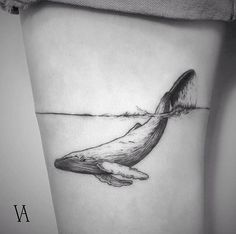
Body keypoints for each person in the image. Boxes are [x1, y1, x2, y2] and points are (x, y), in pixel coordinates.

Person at [1, 1, 232, 233]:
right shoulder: (96, 166)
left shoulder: (99, 163)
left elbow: (118, 170)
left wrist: (127, 174)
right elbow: (109, 173)